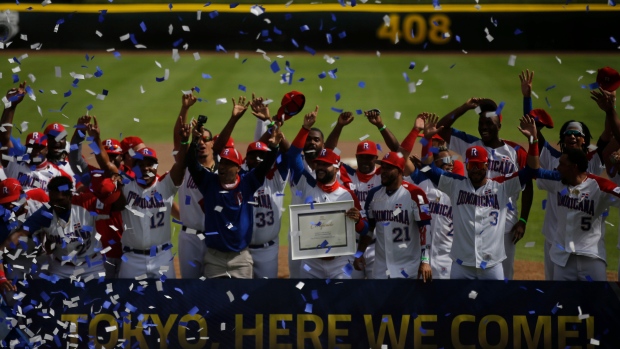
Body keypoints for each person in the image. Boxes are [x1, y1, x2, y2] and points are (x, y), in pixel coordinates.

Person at [422, 115, 540, 280]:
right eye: (471, 165)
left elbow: (532, 170)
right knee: (456, 305)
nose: (475, 169)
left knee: (496, 304)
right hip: (461, 266)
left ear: (486, 165)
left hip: (492, 266)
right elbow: (427, 169)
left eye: (479, 165)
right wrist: (426, 140)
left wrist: (533, 141)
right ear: (466, 166)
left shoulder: (502, 186)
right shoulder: (455, 185)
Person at [520, 69, 608, 280]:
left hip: (587, 243)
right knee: (556, 297)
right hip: (555, 237)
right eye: (568, 133)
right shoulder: (552, 158)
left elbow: (610, 136)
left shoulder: (595, 158)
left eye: (577, 134)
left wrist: (609, 107)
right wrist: (527, 97)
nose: (572, 137)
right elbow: (532, 131)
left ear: (585, 140)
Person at [186, 97, 281, 279]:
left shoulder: (247, 183)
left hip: (241, 259)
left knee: (243, 306)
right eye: (222, 163)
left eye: (229, 164)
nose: (222, 167)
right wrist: (194, 141)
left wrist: (274, 146)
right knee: (213, 305)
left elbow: (264, 165)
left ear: (238, 168)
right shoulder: (209, 182)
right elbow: (192, 164)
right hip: (214, 258)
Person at [90, 115, 189, 279]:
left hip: (162, 257)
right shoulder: (126, 186)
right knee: (129, 303)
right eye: (140, 165)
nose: (145, 168)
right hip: (132, 259)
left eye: (149, 164)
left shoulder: (166, 184)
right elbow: (107, 165)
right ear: (133, 167)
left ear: (156, 166)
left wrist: (184, 142)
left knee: (166, 302)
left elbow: (181, 164)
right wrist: (96, 139)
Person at [289, 107, 368, 279]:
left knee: (339, 304)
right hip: (311, 263)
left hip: (340, 263)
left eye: (326, 164)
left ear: (337, 167)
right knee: (307, 303)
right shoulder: (307, 183)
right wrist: (305, 128)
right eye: (319, 164)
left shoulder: (347, 195)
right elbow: (293, 156)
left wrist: (358, 221)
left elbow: (365, 229)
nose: (321, 168)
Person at [323, 109, 403, 279]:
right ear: (356, 157)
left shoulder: (384, 175)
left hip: (377, 247)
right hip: (350, 247)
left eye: (370, 157)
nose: (366, 161)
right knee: (350, 295)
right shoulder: (346, 174)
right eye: (362, 157)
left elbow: (400, 153)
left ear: (376, 158)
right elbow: (327, 154)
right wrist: (339, 126)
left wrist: (381, 125)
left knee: (377, 294)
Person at [5, 176, 122, 280]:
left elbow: (119, 206)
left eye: (59, 200)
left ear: (70, 196)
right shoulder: (46, 213)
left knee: (97, 301)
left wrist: (118, 188)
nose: (55, 204)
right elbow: (20, 234)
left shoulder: (86, 203)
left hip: (91, 264)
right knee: (57, 303)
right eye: (52, 200)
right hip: (61, 268)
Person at [536, 146, 620, 281]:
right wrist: (534, 140)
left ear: (574, 167)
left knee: (596, 301)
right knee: (562, 301)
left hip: (591, 256)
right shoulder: (558, 182)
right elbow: (535, 172)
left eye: (562, 165)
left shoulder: (599, 186)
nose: (557, 168)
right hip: (563, 259)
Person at [354, 150, 432, 280]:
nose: (383, 171)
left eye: (388, 168)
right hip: (381, 269)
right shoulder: (373, 195)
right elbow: (370, 228)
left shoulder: (416, 194)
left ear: (400, 171)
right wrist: (360, 253)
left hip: (409, 268)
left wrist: (425, 261)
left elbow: (425, 228)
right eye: (382, 167)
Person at [407, 114, 463, 279]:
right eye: (444, 161)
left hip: (447, 254)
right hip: (422, 252)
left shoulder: (457, 183)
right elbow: (426, 164)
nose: (449, 164)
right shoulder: (423, 180)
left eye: (450, 160)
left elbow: (429, 164)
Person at [245, 95, 290, 279]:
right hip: (242, 250)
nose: (257, 159)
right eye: (252, 156)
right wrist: (265, 122)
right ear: (245, 160)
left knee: (265, 298)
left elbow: (289, 155)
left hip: (268, 250)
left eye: (260, 156)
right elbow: (259, 147)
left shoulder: (277, 178)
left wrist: (271, 123)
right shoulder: (241, 176)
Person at [173, 91, 216, 278]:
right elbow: (178, 137)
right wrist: (185, 108)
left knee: (214, 288)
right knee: (190, 287)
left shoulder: (222, 170)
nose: (202, 144)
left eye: (206, 140)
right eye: (198, 140)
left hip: (214, 237)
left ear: (213, 143)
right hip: (189, 238)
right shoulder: (186, 166)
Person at [0, 83, 74, 193]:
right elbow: (4, 138)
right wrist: (11, 106)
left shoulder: (58, 175)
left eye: (39, 147)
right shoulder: (15, 165)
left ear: (46, 149)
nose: (35, 151)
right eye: (31, 146)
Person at [0, 178, 48, 280]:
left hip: (46, 259)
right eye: (6, 202)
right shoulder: (3, 221)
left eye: (13, 201)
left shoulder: (39, 202)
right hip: (19, 265)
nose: (10, 205)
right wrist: (2, 278)